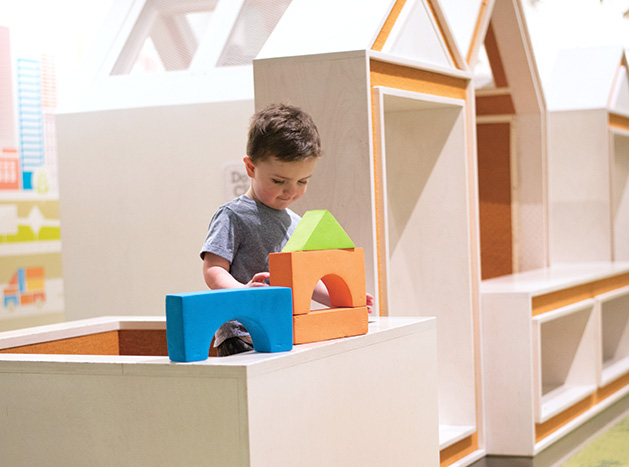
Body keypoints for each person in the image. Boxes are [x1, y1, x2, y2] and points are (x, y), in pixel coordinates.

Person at [200, 103, 373, 356]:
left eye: (302, 181)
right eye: (278, 181)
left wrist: (342, 298)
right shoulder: (232, 215)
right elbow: (213, 269)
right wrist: (243, 290)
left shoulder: (296, 223)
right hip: (242, 334)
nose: (291, 191)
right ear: (251, 168)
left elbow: (304, 280)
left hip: (283, 329)